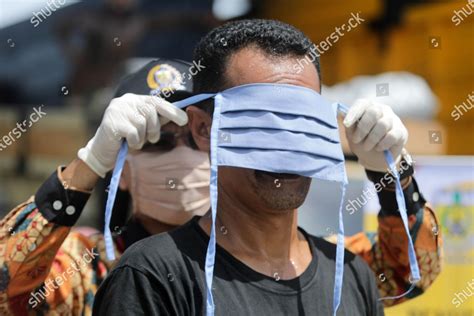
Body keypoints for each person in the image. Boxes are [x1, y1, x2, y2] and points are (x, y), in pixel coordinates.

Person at [92, 19, 442, 315]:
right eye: (260, 121)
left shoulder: (349, 273)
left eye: (302, 120)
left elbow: (411, 269)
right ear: (204, 129)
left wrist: (392, 170)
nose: (285, 144)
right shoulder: (148, 277)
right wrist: (90, 162)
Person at [0, 59, 211, 315]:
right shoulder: (86, 269)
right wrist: (90, 163)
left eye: (196, 139)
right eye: (156, 141)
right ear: (121, 170)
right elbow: (7, 292)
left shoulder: (249, 257)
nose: (182, 156)